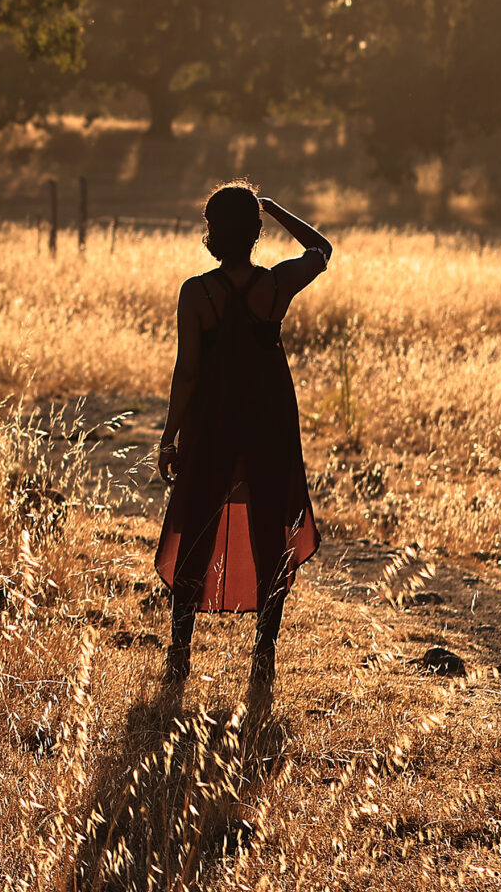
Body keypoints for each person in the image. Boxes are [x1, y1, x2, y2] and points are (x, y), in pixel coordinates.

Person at [153, 183, 332, 694]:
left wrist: (169, 436)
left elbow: (186, 372)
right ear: (255, 233)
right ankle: (264, 657)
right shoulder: (274, 287)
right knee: (268, 532)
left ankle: (179, 654)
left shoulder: (197, 293)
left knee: (196, 531)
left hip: (212, 422)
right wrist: (275, 210)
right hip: (268, 421)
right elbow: (322, 249)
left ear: (211, 234)